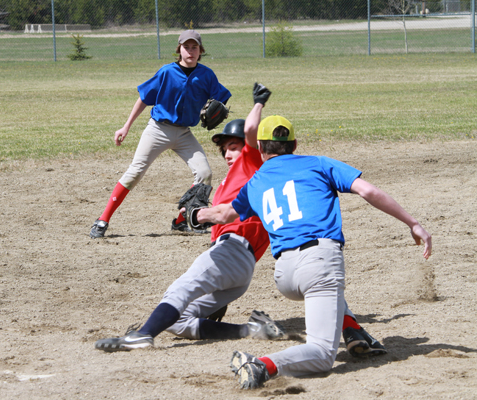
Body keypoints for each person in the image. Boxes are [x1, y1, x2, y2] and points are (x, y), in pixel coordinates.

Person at [94, 93, 388, 356]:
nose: (228, 154)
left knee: (179, 290)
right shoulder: (227, 186)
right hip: (235, 265)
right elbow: (220, 220)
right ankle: (251, 330)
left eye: (233, 147)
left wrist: (258, 103)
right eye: (224, 150)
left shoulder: (252, 167)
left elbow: (250, 135)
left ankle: (142, 335)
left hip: (234, 251)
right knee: (180, 320)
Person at [194, 84, 432, 388]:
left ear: (262, 150)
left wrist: (197, 214)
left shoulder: (255, 182)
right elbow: (368, 191)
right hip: (319, 264)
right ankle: (261, 365)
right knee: (321, 353)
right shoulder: (318, 164)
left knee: (326, 292)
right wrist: (413, 223)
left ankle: (353, 328)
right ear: (295, 144)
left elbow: (225, 214)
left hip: (285, 275)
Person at [90, 29, 231, 239]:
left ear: (200, 51)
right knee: (134, 173)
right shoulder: (167, 72)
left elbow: (221, 98)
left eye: (195, 47)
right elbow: (144, 98)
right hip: (158, 129)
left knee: (204, 174)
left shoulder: (206, 75)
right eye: (186, 47)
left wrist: (218, 110)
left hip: (184, 133)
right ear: (179, 50)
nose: (190, 51)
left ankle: (181, 221)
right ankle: (103, 219)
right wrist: (126, 126)